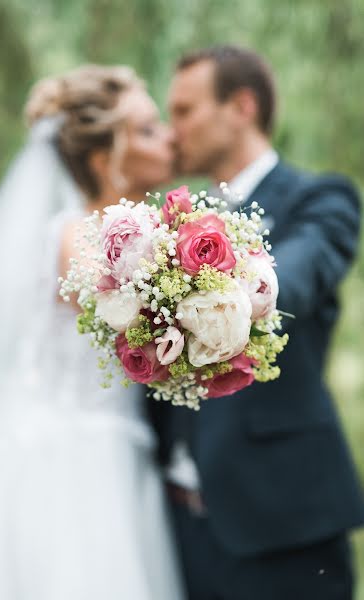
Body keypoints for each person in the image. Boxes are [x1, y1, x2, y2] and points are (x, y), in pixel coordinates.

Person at [0, 64, 185, 600]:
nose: (170, 136)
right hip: (73, 470)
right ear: (108, 160)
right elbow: (152, 322)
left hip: (114, 450)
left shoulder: (89, 232)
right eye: (148, 129)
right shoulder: (81, 241)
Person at [150, 45, 364, 600]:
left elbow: (296, 274)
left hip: (281, 522)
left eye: (185, 111)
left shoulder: (321, 200)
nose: (173, 132)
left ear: (241, 106)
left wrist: (217, 285)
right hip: (177, 527)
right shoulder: (169, 221)